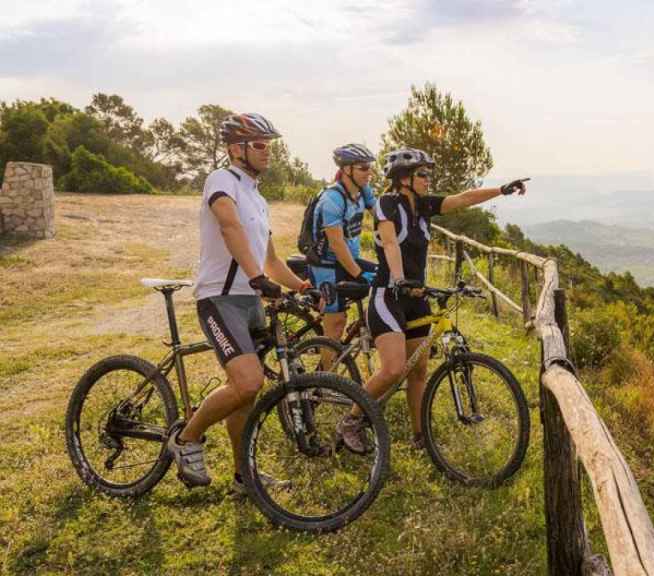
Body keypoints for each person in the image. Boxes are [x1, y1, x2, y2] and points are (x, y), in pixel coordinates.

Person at [336, 147, 527, 453]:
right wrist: (399, 279)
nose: (428, 179)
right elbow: (389, 243)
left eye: (428, 174)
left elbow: (463, 198)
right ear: (403, 178)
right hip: (389, 295)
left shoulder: (423, 207)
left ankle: (419, 436)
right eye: (422, 174)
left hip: (416, 296)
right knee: (393, 369)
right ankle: (351, 420)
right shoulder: (387, 203)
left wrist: (502, 190)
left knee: (419, 371)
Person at [166, 112, 312, 494]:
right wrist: (257, 278)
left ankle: (242, 476)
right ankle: (186, 439)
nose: (268, 152)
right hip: (220, 297)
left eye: (270, 145)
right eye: (261, 144)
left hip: (249, 300)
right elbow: (230, 228)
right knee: (249, 382)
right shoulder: (221, 179)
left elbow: (271, 260)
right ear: (236, 148)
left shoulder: (257, 198)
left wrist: (301, 287)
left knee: (246, 394)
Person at [307, 144, 378, 362]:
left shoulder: (361, 192)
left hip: (348, 260)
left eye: (370, 167)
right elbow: (337, 245)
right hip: (326, 265)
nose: (369, 172)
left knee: (386, 279)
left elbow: (382, 217)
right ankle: (326, 383)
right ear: (347, 170)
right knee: (336, 324)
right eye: (364, 168)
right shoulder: (333, 199)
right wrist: (358, 274)